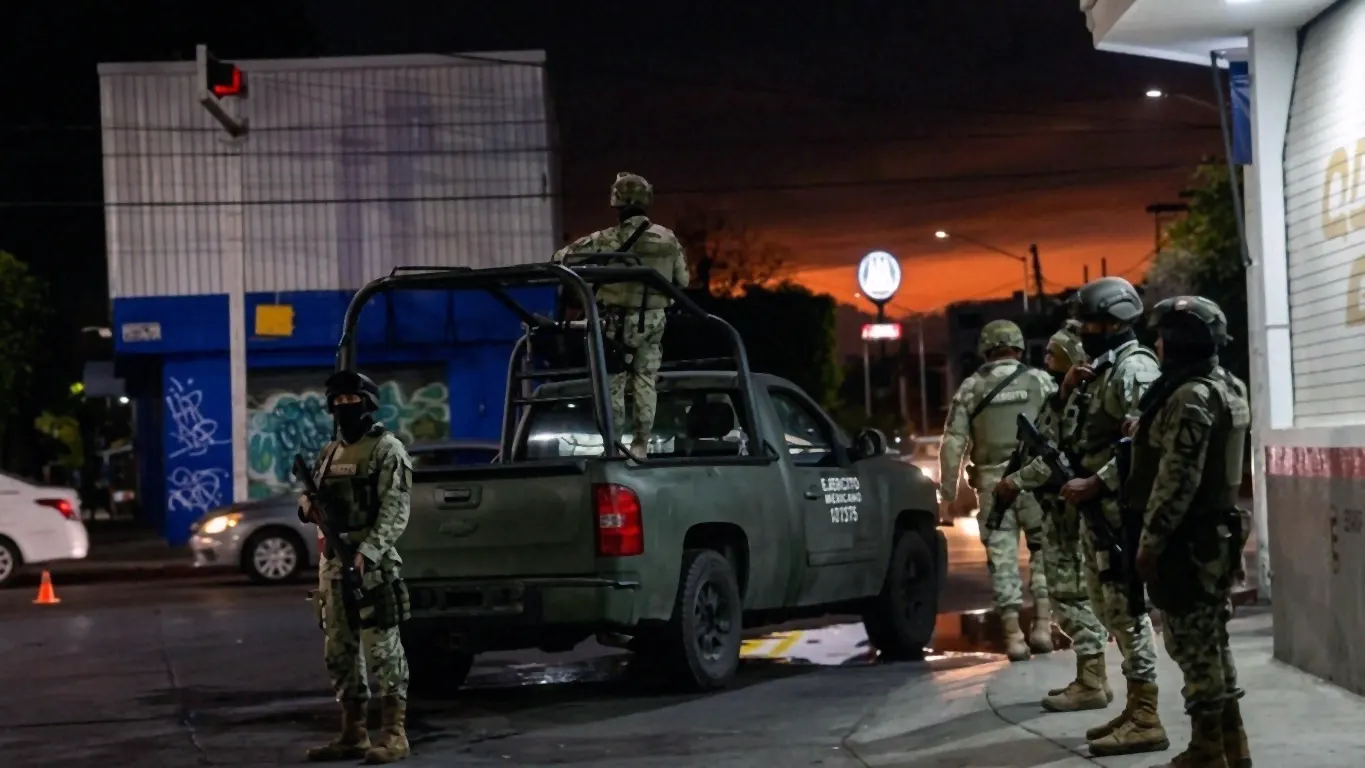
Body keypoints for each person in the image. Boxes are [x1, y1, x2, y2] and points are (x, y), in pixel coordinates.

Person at [1126, 296, 1252, 768]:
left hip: (1188, 543)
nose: (1156, 343)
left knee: (1193, 648)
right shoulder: (1225, 386)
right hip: (1214, 537)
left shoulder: (1190, 396)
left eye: (1162, 336)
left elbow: (1177, 480)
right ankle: (1232, 747)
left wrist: (1150, 544)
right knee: (1213, 646)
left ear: (1178, 342)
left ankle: (1206, 752)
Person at [1057, 276, 1168, 757]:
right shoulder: (1100, 369)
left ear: (1115, 322)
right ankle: (1133, 706)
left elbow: (1144, 443)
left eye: (1091, 321)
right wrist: (1066, 391)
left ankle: (1146, 715)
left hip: (1117, 510)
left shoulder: (1134, 369)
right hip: (1097, 511)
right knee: (1107, 610)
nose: (1083, 329)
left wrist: (1097, 481)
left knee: (1127, 610)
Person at [996, 321, 1113, 712]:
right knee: (1069, 594)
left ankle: (1092, 681)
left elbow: (1054, 461)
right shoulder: (1062, 396)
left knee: (1069, 597)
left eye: (1053, 353)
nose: (1046, 359)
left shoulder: (1081, 401)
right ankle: (1091, 678)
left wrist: (1015, 481)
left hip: (1068, 514)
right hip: (1057, 512)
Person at [300, 370, 414, 764]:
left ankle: (394, 735)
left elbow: (395, 512)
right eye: (338, 402)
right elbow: (309, 495)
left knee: (383, 650)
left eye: (352, 401)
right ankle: (353, 733)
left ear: (368, 403)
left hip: (372, 565)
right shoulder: (330, 452)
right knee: (340, 649)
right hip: (333, 564)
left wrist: (367, 552)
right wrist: (309, 508)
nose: (344, 408)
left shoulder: (387, 449)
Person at [939, 319, 1053, 662]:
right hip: (1037, 482)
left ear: (985, 350)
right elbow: (1064, 429)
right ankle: (1044, 627)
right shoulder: (1040, 381)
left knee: (1002, 559)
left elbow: (953, 442)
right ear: (1019, 347)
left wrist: (946, 493)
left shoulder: (971, 388)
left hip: (991, 487)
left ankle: (1013, 636)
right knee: (1044, 552)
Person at [553, 172, 689, 458]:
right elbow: (683, 281)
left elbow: (562, 257)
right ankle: (641, 444)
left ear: (616, 204)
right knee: (645, 379)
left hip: (615, 322)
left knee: (613, 382)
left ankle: (612, 446)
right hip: (654, 320)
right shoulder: (668, 238)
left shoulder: (609, 238)